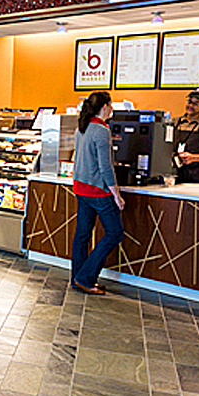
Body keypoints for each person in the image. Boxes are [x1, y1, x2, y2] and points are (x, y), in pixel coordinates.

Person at [71, 91, 125, 295]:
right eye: (111, 105)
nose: (112, 109)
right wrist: (116, 195)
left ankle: (78, 277)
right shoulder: (101, 130)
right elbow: (105, 167)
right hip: (97, 191)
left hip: (80, 187)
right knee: (114, 233)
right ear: (104, 107)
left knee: (82, 234)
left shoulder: (82, 127)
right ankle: (85, 277)